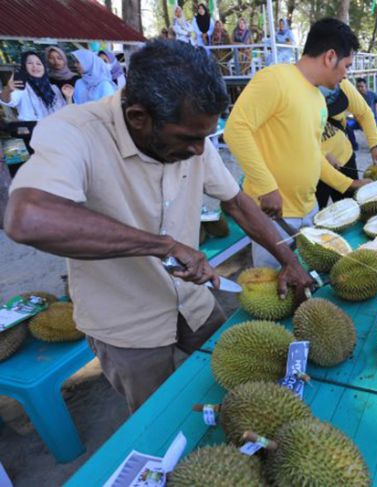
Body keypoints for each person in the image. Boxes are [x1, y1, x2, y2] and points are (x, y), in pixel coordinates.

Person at [4, 40, 312, 413]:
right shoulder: (75, 131)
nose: (200, 150)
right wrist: (161, 244)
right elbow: (27, 218)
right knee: (161, 421)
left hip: (195, 302)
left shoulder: (188, 131)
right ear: (138, 117)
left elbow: (237, 202)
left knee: (238, 395)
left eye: (205, 137)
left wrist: (287, 256)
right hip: (128, 326)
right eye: (189, 139)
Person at [224, 18, 371, 268]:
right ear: (330, 57)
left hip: (309, 209)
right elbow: (235, 130)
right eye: (346, 65)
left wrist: (349, 184)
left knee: (304, 281)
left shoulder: (316, 98)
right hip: (272, 215)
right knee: (273, 287)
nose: (347, 73)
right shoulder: (275, 79)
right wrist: (267, 186)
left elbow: (314, 155)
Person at [316, 79, 377, 209]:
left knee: (351, 210)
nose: (344, 74)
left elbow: (364, 113)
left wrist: (375, 146)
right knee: (317, 215)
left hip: (345, 158)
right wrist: (323, 155)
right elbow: (298, 146)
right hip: (316, 170)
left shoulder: (340, 81)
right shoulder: (298, 95)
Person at [1, 52, 71, 122]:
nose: (35, 66)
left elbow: (64, 112)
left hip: (54, 129)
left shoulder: (53, 89)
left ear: (44, 67)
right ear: (24, 67)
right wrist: (8, 89)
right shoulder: (22, 86)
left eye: (39, 64)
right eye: (30, 63)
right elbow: (7, 101)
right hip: (32, 130)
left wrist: (68, 97)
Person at [346, 78, 377, 150]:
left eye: (361, 86)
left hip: (372, 119)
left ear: (366, 87)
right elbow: (352, 110)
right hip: (358, 120)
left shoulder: (372, 95)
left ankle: (376, 145)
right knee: (347, 126)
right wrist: (358, 120)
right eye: (358, 86)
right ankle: (354, 144)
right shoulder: (354, 96)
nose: (359, 88)